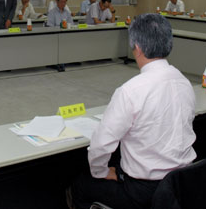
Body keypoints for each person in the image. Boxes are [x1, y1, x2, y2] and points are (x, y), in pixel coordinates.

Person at [69, 13, 196, 209]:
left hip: (143, 190)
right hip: (182, 181)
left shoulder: (131, 91)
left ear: (136, 48)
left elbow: (100, 146)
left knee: (80, 185)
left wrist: (102, 172)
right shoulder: (184, 82)